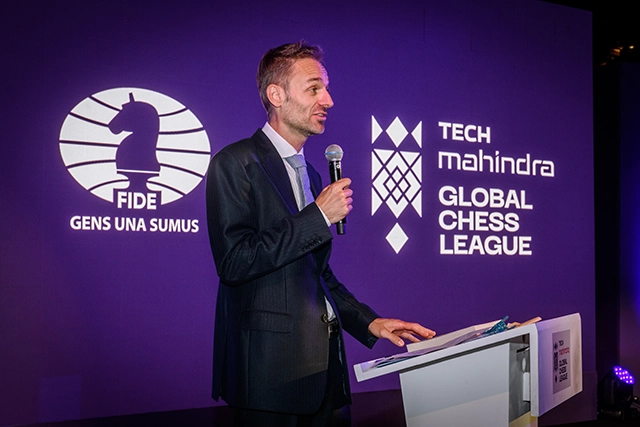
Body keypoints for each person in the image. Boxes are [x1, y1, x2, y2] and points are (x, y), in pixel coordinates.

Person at [205, 41, 435, 426]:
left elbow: (316, 273)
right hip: (270, 380)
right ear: (276, 95)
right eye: (314, 88)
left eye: (325, 89)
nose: (327, 100)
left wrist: (369, 321)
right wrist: (318, 215)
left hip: (326, 373)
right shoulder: (235, 163)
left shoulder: (310, 175)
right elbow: (235, 261)